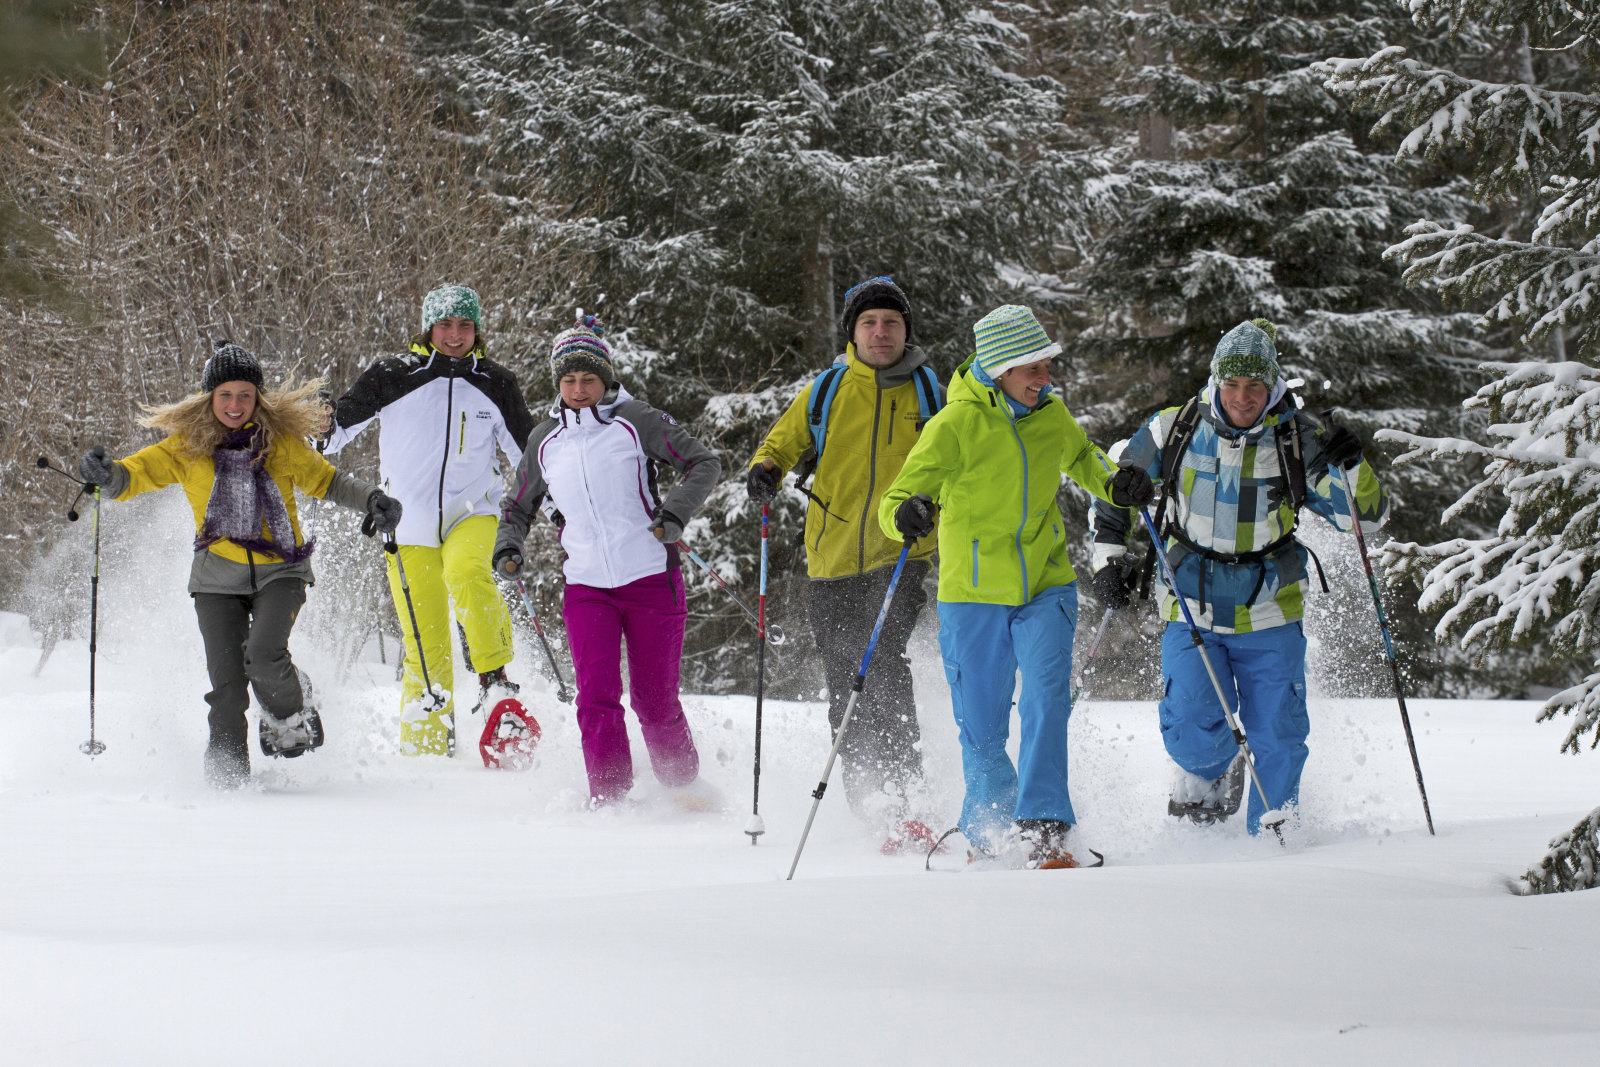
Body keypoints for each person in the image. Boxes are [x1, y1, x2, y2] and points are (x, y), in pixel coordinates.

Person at [1089, 318, 1389, 834]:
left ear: (1272, 384)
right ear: (1216, 381)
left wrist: (1353, 464)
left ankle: (1274, 837)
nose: (1243, 396)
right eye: (1232, 384)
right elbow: (1114, 485)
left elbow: (1365, 517)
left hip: (1271, 604)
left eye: (1254, 385)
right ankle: (1213, 768)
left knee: (1278, 731)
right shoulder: (1173, 428)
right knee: (1191, 724)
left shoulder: (1300, 437)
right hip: (1190, 603)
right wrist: (1107, 559)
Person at [879, 305, 1152, 868]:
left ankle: (1046, 826)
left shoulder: (1052, 416)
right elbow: (894, 501)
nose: (1045, 378)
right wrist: (904, 514)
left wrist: (1115, 482)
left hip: (1045, 585)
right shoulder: (953, 425)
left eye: (1047, 366)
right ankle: (988, 834)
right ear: (1000, 368)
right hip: (972, 596)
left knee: (1047, 701)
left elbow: (1083, 458)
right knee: (981, 729)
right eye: (1033, 367)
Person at [77, 340, 402, 788]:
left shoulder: (282, 444)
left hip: (282, 572)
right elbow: (135, 473)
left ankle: (291, 708)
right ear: (209, 398)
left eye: (245, 395)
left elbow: (327, 481)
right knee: (227, 692)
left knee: (265, 657)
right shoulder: (187, 448)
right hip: (215, 580)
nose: (235, 405)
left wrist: (371, 499)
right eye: (225, 395)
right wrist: (106, 476)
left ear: (258, 399)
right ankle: (226, 787)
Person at [746, 276, 943, 847]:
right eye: (869, 323)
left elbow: (958, 464)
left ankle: (903, 793)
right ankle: (865, 793)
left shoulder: (931, 392)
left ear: (907, 332)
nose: (881, 332)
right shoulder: (829, 388)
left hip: (901, 553)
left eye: (891, 323)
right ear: (853, 332)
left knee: (880, 662)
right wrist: (764, 471)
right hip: (829, 557)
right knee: (843, 676)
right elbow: (780, 443)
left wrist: (932, 507)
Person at [494, 316, 722, 806]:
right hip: (586, 586)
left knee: (654, 703)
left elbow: (704, 462)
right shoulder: (544, 440)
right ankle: (611, 800)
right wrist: (508, 545)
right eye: (569, 380)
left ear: (606, 378)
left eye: (589, 379)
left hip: (650, 580)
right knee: (596, 699)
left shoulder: (635, 420)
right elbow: (517, 505)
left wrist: (676, 513)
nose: (579, 390)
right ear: (558, 382)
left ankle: (685, 791)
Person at [320, 284, 536, 755]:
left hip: (472, 511)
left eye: (464, 325)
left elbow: (533, 456)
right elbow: (332, 436)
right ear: (428, 327)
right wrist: (319, 422)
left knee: (466, 572)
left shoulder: (496, 382)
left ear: (477, 329)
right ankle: (425, 751)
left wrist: (559, 505)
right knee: (424, 638)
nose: (455, 335)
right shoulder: (392, 374)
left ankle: (496, 680)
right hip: (406, 523)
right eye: (445, 325)